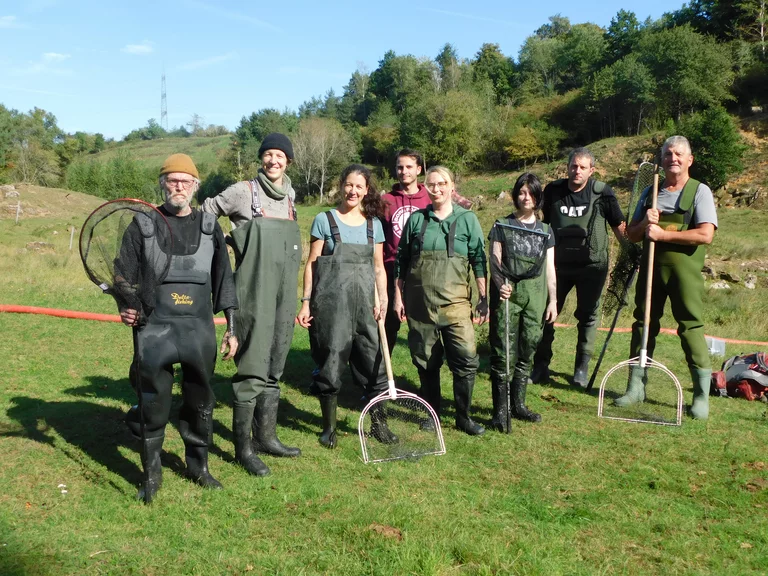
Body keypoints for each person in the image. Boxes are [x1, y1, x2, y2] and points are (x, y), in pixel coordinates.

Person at [119, 153, 238, 501]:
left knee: (200, 399)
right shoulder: (143, 224)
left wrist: (232, 327)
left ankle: (199, 467)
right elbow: (123, 273)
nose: (179, 186)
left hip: (198, 329)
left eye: (185, 181)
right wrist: (125, 305)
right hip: (153, 327)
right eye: (172, 180)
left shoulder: (210, 226)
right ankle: (151, 474)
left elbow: (224, 280)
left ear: (195, 186)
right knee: (153, 401)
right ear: (162, 184)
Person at [201, 133, 301, 477]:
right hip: (253, 296)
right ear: (261, 158)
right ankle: (243, 449)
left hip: (284, 296)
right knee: (253, 370)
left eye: (280, 156)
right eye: (269, 154)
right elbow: (205, 214)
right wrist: (219, 248)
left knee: (275, 367)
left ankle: (266, 437)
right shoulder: (243, 192)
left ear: (288, 161)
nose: (274, 161)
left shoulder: (291, 196)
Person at [615, 136, 717, 419]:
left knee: (690, 327)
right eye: (668, 154)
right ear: (661, 160)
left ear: (689, 160)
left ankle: (701, 396)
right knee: (643, 324)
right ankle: (636, 387)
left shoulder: (699, 191)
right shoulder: (651, 192)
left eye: (679, 154)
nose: (673, 158)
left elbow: (705, 234)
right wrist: (645, 223)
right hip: (651, 269)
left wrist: (663, 234)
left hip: (685, 273)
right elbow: (632, 234)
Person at [297, 164, 397, 448]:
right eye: (349, 185)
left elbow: (378, 268)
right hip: (332, 308)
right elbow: (312, 264)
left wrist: (384, 299)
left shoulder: (374, 225)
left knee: (375, 367)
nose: (353, 191)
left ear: (366, 191)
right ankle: (329, 428)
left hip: (366, 309)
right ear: (341, 186)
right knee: (330, 367)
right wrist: (306, 303)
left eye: (359, 186)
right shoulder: (324, 220)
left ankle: (379, 426)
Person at [393, 165, 488, 436]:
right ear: (426, 188)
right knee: (426, 361)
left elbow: (478, 260)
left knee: (466, 359)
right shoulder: (417, 220)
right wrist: (398, 297)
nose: (437, 189)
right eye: (432, 184)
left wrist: (483, 297)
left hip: (456, 306)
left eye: (442, 183)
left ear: (452, 187)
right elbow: (401, 261)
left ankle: (463, 417)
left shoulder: (467, 219)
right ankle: (431, 414)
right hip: (420, 306)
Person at [531, 147, 625, 388]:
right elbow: (540, 223)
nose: (577, 171)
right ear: (567, 167)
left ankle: (581, 369)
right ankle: (540, 365)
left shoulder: (602, 193)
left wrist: (632, 251)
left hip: (592, 267)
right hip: (557, 266)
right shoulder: (553, 191)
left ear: (591, 170)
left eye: (583, 167)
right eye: (574, 166)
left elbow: (619, 225)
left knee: (588, 316)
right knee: (546, 312)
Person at [380, 149, 473, 354]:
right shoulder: (386, 201)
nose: (404, 171)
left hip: (423, 274)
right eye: (400, 167)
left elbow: (460, 208)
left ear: (419, 169)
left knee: (425, 328)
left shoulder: (431, 196)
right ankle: (381, 371)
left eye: (409, 167)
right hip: (391, 272)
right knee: (386, 327)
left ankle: (429, 366)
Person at [488, 173, 557, 429]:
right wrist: (500, 285)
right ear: (515, 195)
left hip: (536, 297)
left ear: (538, 197)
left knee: (528, 348)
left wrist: (553, 300)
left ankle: (519, 405)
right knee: (503, 352)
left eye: (530, 193)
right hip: (509, 295)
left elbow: (550, 269)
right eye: (521, 192)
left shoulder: (546, 231)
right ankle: (500, 411)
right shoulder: (502, 225)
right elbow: (494, 260)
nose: (525, 197)